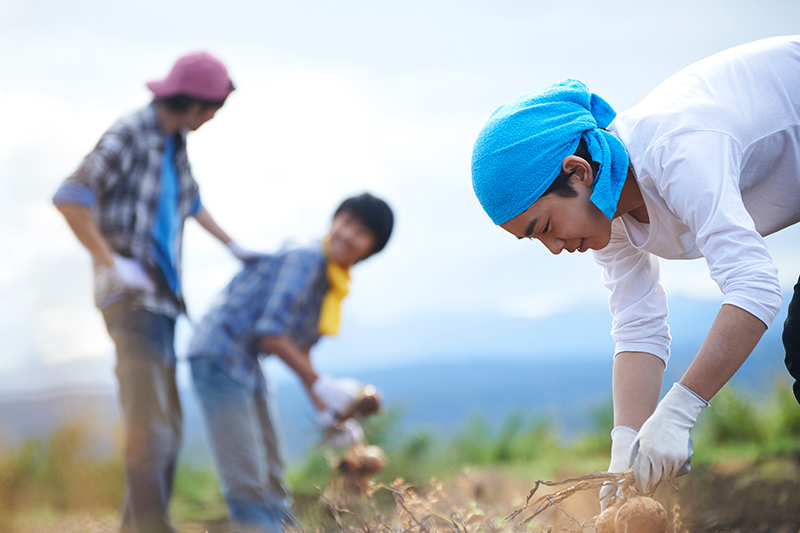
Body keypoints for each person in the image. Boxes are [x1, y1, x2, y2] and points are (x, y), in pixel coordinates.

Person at [470, 35, 800, 504]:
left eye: (544, 225)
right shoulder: (608, 209)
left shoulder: (677, 150)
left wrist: (681, 410)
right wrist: (623, 447)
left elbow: (755, 285)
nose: (554, 248)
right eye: (534, 239)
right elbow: (638, 327)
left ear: (578, 171)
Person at [53, 52, 261, 533]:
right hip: (131, 299)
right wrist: (112, 261)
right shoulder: (132, 133)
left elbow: (193, 201)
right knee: (151, 422)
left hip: (163, 301)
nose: (211, 119)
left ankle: (146, 523)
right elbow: (71, 195)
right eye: (211, 109)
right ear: (190, 102)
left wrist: (235, 245)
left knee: (167, 421)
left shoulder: (174, 144)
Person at [187, 193, 394, 533]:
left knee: (272, 476)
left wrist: (327, 410)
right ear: (334, 220)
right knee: (248, 479)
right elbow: (271, 335)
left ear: (371, 249)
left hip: (245, 365)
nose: (347, 234)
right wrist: (323, 385)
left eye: (361, 231)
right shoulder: (306, 259)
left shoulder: (331, 281)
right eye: (346, 222)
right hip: (219, 354)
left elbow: (302, 350)